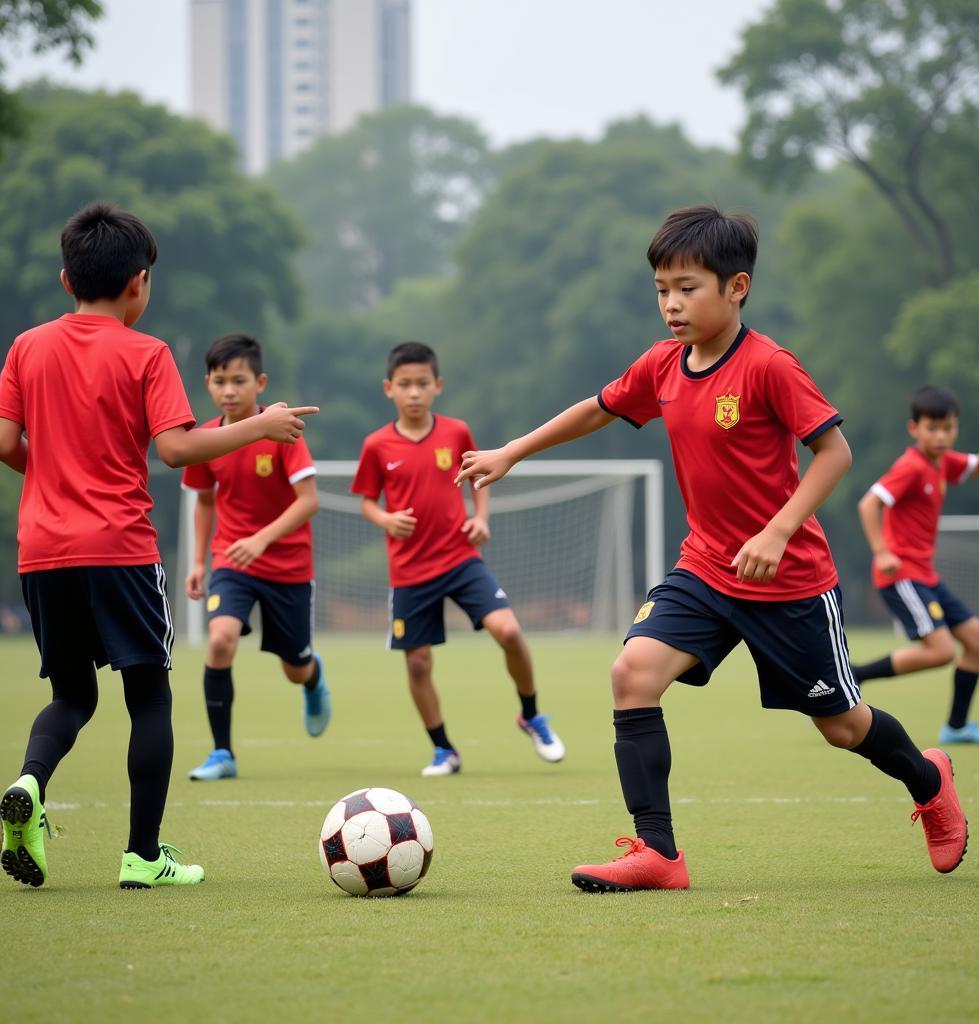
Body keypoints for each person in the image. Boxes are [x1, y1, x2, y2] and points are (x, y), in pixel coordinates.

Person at [456, 205, 967, 892]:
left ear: (737, 288)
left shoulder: (769, 366)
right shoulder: (663, 365)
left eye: (687, 287)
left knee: (842, 728)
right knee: (632, 674)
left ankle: (930, 779)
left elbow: (834, 452)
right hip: (705, 569)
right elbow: (597, 407)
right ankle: (658, 853)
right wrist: (512, 452)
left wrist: (779, 528)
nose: (671, 303)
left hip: (789, 583)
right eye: (662, 288)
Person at [0, 203, 316, 889]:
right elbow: (175, 449)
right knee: (148, 698)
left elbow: (4, 443)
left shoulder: (26, 347)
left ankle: (29, 780)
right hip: (117, 546)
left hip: (42, 550)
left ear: (65, 279)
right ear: (139, 283)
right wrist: (261, 425)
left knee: (72, 697)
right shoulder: (147, 353)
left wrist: (55, 471)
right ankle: (143, 856)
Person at [351, 341, 565, 777]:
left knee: (508, 630)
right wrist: (386, 519)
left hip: (460, 559)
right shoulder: (376, 445)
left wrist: (481, 518)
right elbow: (367, 502)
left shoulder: (456, 433)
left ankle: (531, 714)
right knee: (417, 661)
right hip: (409, 572)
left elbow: (480, 478)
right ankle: (443, 748)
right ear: (388, 388)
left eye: (422, 384)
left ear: (438, 386)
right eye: (405, 385)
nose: (414, 393)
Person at [183, 333, 331, 782]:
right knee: (221, 640)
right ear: (208, 382)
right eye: (220, 380)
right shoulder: (204, 440)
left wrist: (262, 539)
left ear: (260, 382)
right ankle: (222, 753)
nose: (229, 390)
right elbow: (205, 502)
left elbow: (308, 500)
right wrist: (198, 563)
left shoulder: (281, 428)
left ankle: (312, 677)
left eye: (239, 380)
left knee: (294, 667)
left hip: (288, 566)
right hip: (232, 562)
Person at [851, 385, 979, 746]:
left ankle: (957, 727)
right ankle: (852, 676)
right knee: (943, 651)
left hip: (926, 576)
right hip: (901, 576)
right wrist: (881, 551)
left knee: (977, 640)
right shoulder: (911, 466)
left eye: (949, 427)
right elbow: (869, 504)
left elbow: (975, 465)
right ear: (914, 429)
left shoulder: (943, 461)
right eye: (933, 428)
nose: (942, 435)